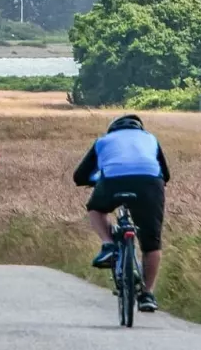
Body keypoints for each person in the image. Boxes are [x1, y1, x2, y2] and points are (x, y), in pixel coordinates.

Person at [73, 113, 170, 313]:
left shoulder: (103, 141)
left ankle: (109, 244)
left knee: (96, 209)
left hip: (113, 182)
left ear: (113, 129)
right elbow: (165, 174)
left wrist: (94, 180)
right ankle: (148, 295)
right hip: (149, 184)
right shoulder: (150, 139)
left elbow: (79, 176)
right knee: (152, 243)